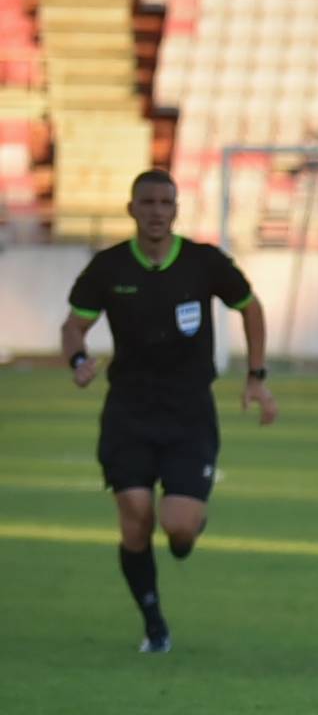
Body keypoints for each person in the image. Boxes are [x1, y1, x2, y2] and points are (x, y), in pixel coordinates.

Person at [61, 168, 278, 654]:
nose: (156, 212)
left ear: (176, 210)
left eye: (165, 203)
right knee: (136, 516)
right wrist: (77, 360)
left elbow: (250, 307)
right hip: (129, 410)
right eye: (148, 202)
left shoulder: (203, 262)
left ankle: (187, 530)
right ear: (131, 209)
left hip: (189, 413)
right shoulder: (109, 268)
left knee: (177, 527)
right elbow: (73, 326)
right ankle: (154, 623)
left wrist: (256, 376)